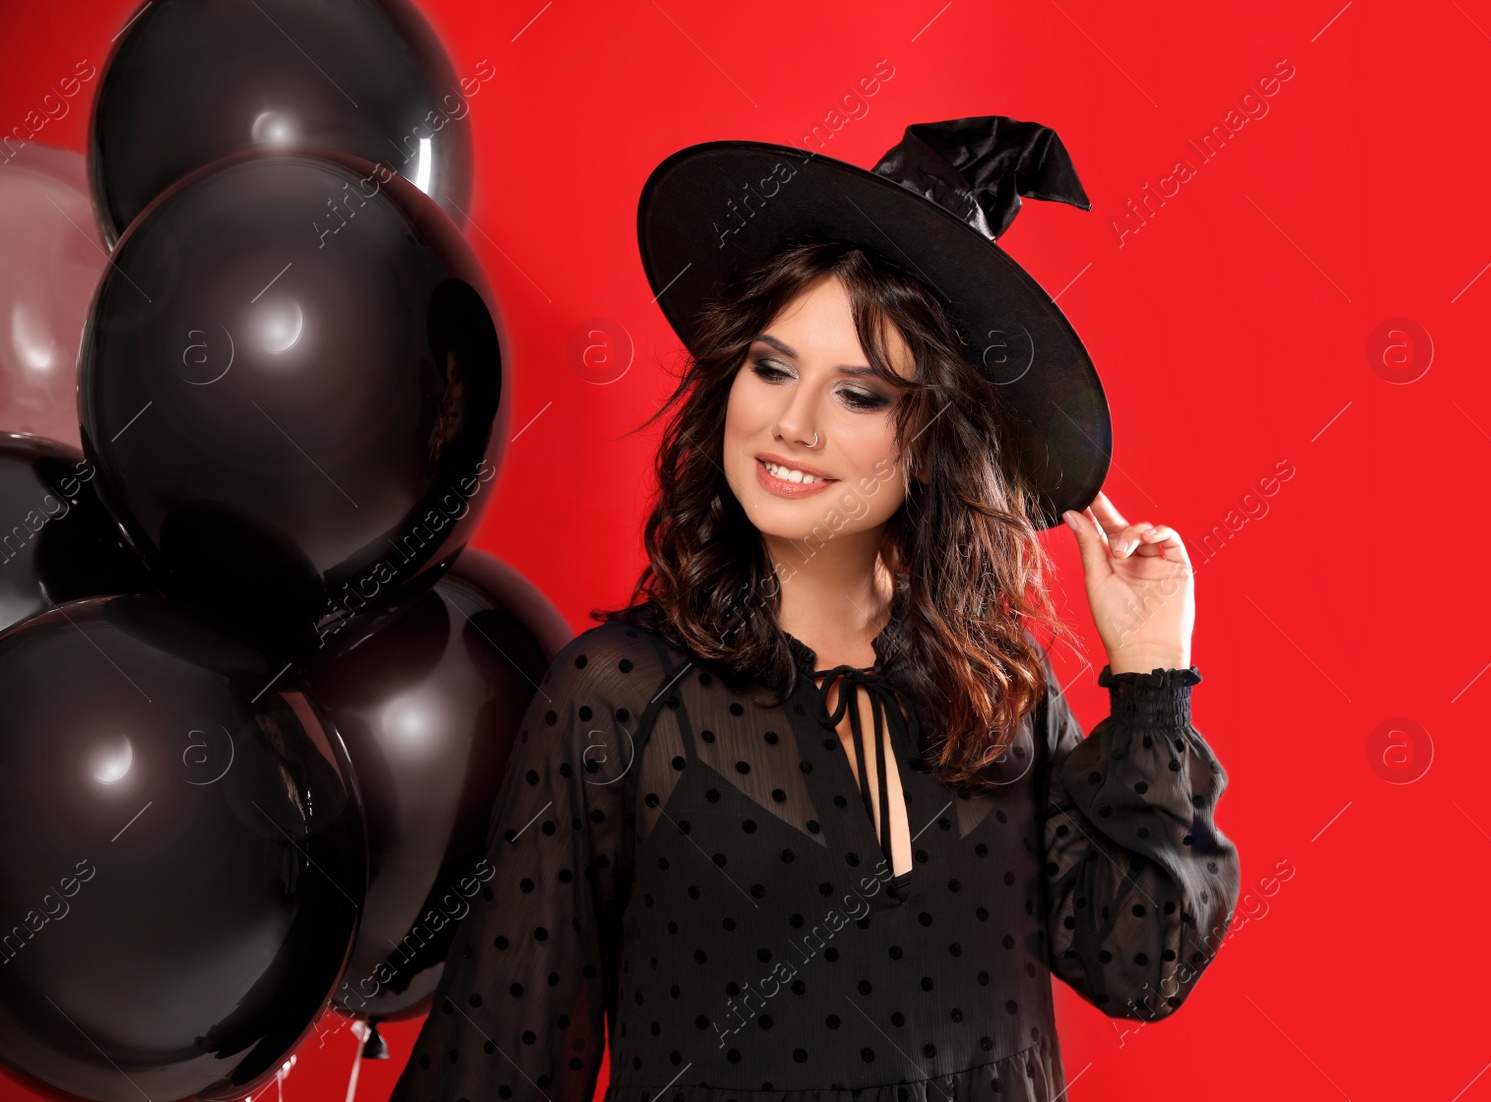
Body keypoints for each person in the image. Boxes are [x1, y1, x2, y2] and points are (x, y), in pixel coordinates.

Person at [389, 117, 1241, 1101]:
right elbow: (499, 1060)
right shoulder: (621, 696)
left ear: (934, 438)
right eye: (772, 365)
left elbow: (1140, 966)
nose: (790, 424)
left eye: (861, 394)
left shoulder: (1001, 688)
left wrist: (1148, 674)